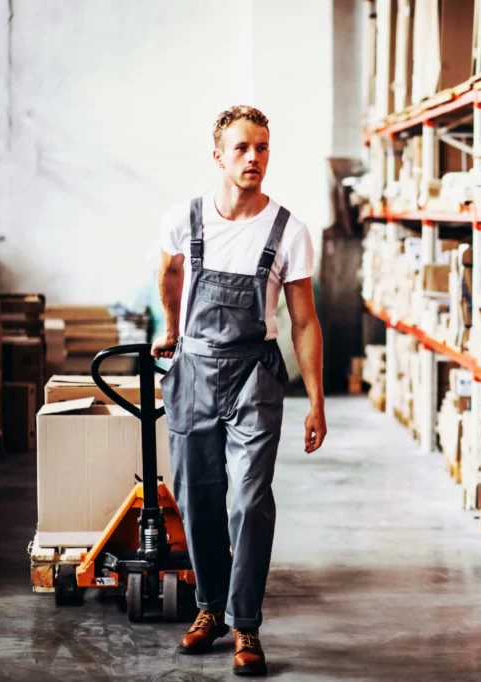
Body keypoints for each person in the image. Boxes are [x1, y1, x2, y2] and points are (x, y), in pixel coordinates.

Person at [152, 105, 327, 677]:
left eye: (263, 148)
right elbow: (169, 273)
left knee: (249, 501)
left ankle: (245, 623)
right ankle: (209, 609)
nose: (254, 158)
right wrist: (171, 330)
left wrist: (317, 401)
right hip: (193, 372)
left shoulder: (288, 231)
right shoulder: (187, 218)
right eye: (243, 148)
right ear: (219, 155)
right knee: (197, 495)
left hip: (255, 374)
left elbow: (304, 321)